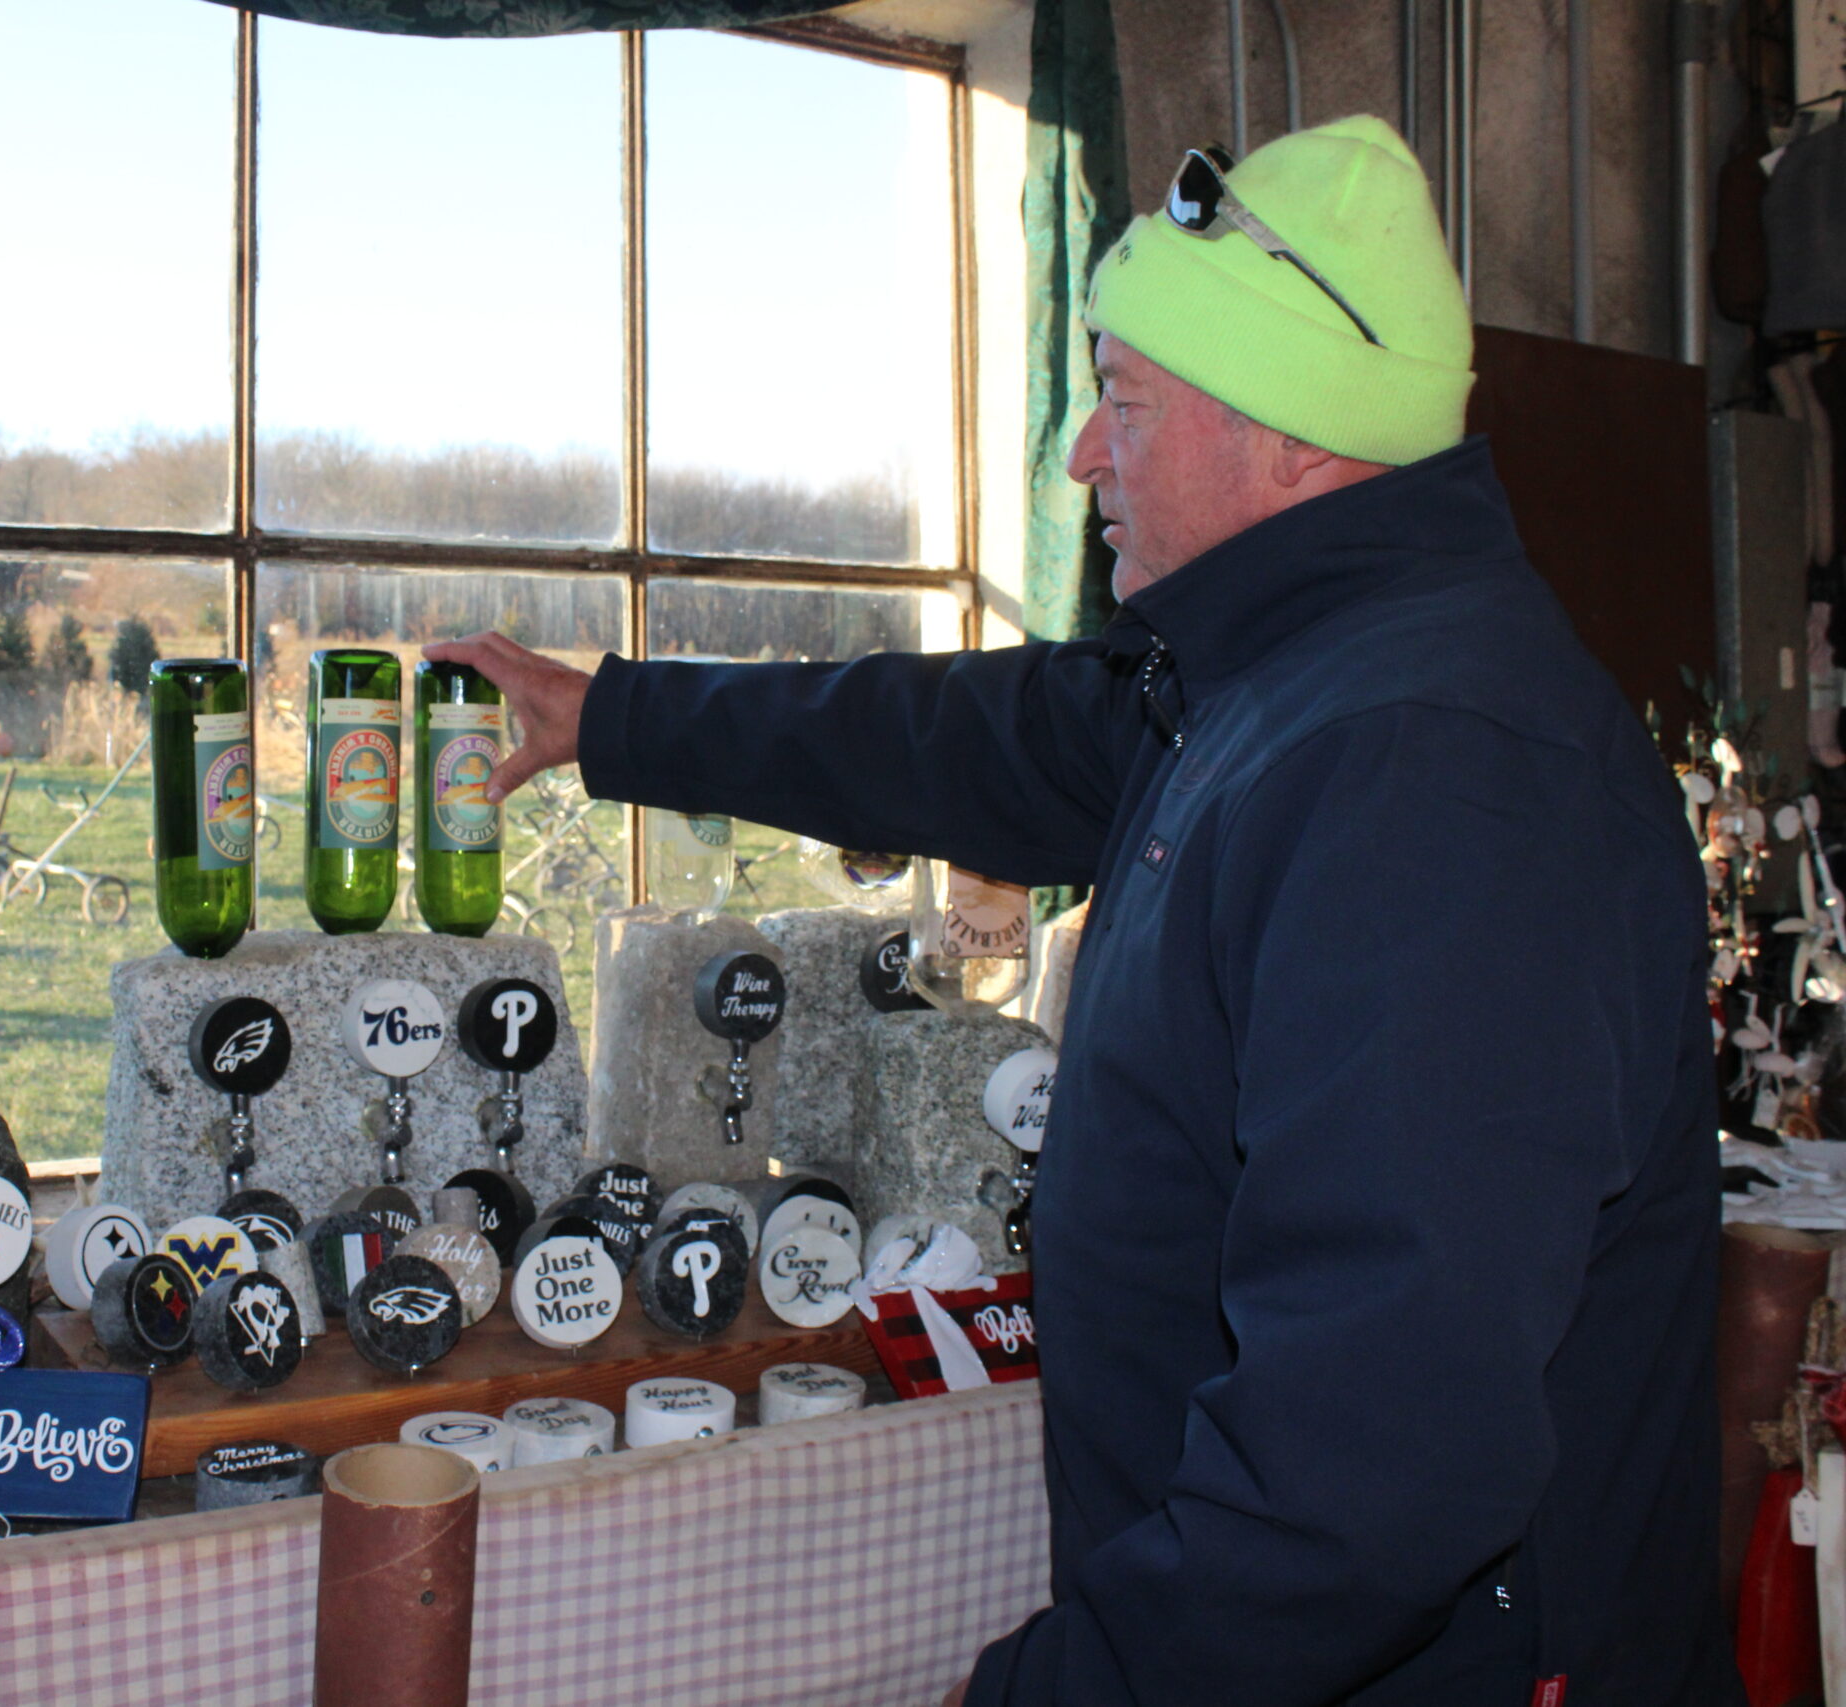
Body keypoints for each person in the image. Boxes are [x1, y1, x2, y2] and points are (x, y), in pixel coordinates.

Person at [427, 115, 1738, 1705]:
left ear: (1291, 435)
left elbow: (1380, 1457)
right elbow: (965, 738)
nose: (1081, 457)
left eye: (1125, 404)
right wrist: (619, 720)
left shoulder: (1436, 780)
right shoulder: (1263, 679)